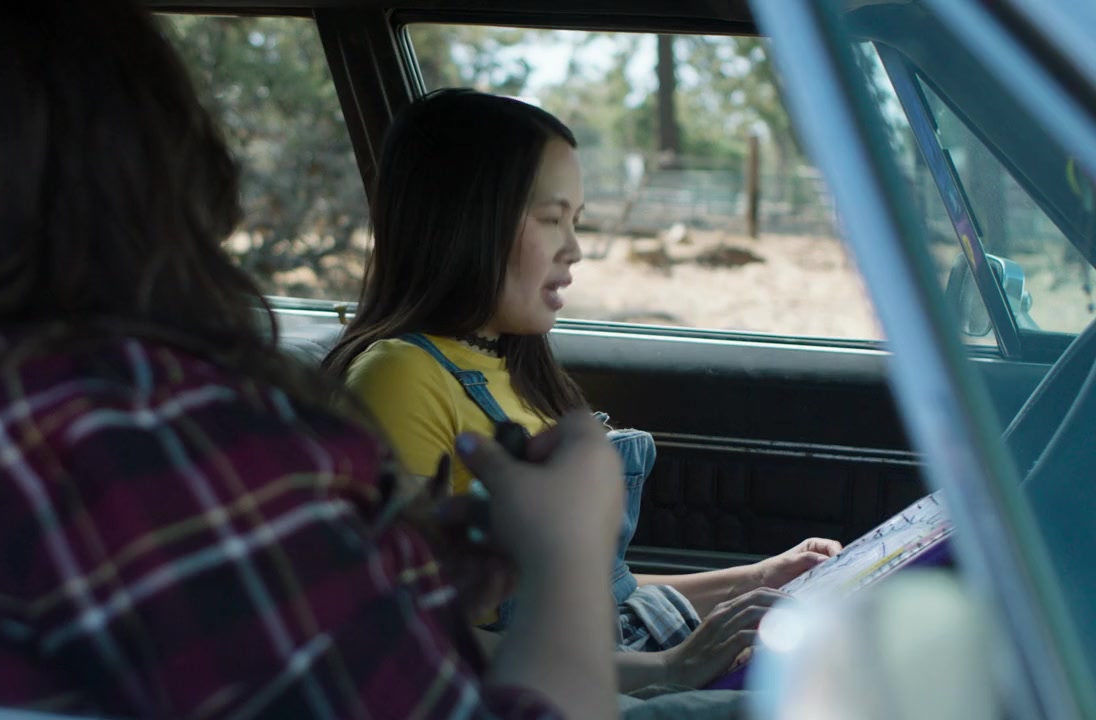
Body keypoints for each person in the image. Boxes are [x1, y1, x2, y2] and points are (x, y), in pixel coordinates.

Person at [0, 2, 626, 718]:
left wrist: (376, 567)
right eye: (551, 217)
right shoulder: (134, 445)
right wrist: (568, 556)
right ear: (149, 171)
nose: (575, 246)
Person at [323, 89, 843, 691]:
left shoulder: (517, 369)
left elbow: (603, 593)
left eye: (576, 220)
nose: (575, 248)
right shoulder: (400, 378)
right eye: (552, 219)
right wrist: (670, 668)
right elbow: (410, 636)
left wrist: (759, 578)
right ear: (468, 220)